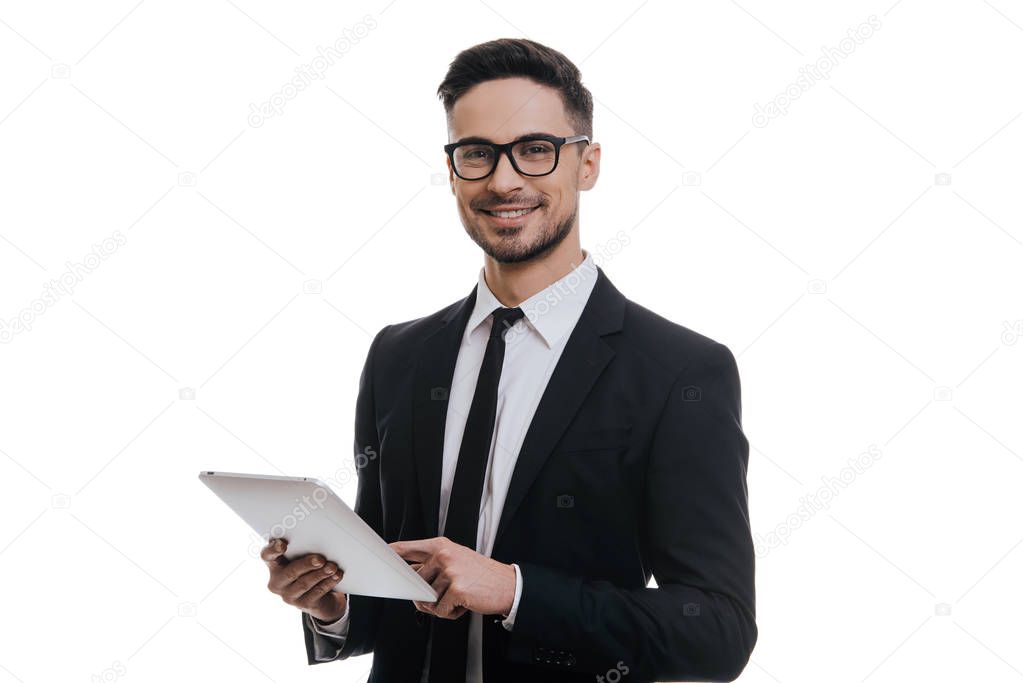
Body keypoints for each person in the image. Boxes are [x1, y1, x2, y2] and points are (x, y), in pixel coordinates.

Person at [262, 37, 756, 682]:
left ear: (588, 164)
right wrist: (334, 601)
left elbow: (716, 631)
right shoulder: (398, 356)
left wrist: (515, 591)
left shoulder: (680, 371)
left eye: (534, 150)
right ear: (451, 168)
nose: (503, 180)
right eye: (477, 154)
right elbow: (391, 585)